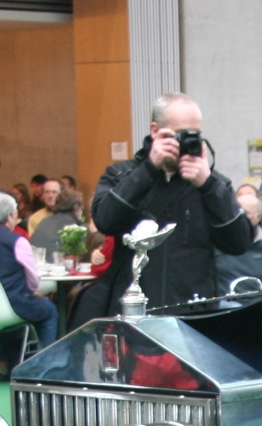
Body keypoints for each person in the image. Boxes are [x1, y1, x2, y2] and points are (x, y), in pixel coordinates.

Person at [81, 92, 251, 318]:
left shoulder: (211, 184)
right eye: (180, 134)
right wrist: (149, 169)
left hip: (193, 315)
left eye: (195, 134)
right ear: (155, 131)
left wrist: (208, 185)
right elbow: (104, 220)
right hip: (134, 313)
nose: (188, 141)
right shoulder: (122, 175)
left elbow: (239, 243)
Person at [0, 190, 58, 375]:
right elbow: (33, 279)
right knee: (49, 311)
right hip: (13, 305)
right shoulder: (17, 241)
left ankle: (4, 363)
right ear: (10, 215)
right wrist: (33, 291)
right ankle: (45, 365)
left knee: (5, 306)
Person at [215, 182, 262, 287]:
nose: (240, 217)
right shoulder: (217, 239)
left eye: (245, 213)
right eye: (236, 212)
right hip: (225, 300)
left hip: (259, 299)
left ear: (258, 217)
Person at [29, 189, 80, 256]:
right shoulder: (73, 224)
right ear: (76, 208)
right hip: (57, 263)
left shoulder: (44, 220)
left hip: (35, 263)